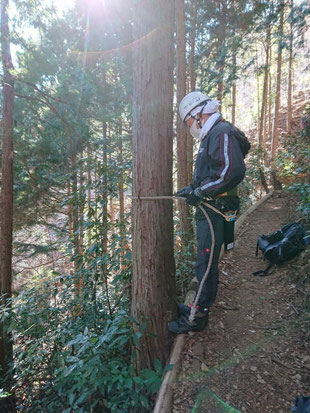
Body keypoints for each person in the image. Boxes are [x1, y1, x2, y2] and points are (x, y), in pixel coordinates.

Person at [168, 91, 249, 334]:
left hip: (216, 211)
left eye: (189, 122)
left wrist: (201, 192)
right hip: (211, 210)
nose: (189, 127)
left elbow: (231, 172)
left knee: (205, 262)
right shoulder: (212, 135)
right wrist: (193, 189)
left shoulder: (220, 132)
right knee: (205, 261)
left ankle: (197, 316)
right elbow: (213, 174)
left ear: (198, 113)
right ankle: (197, 306)